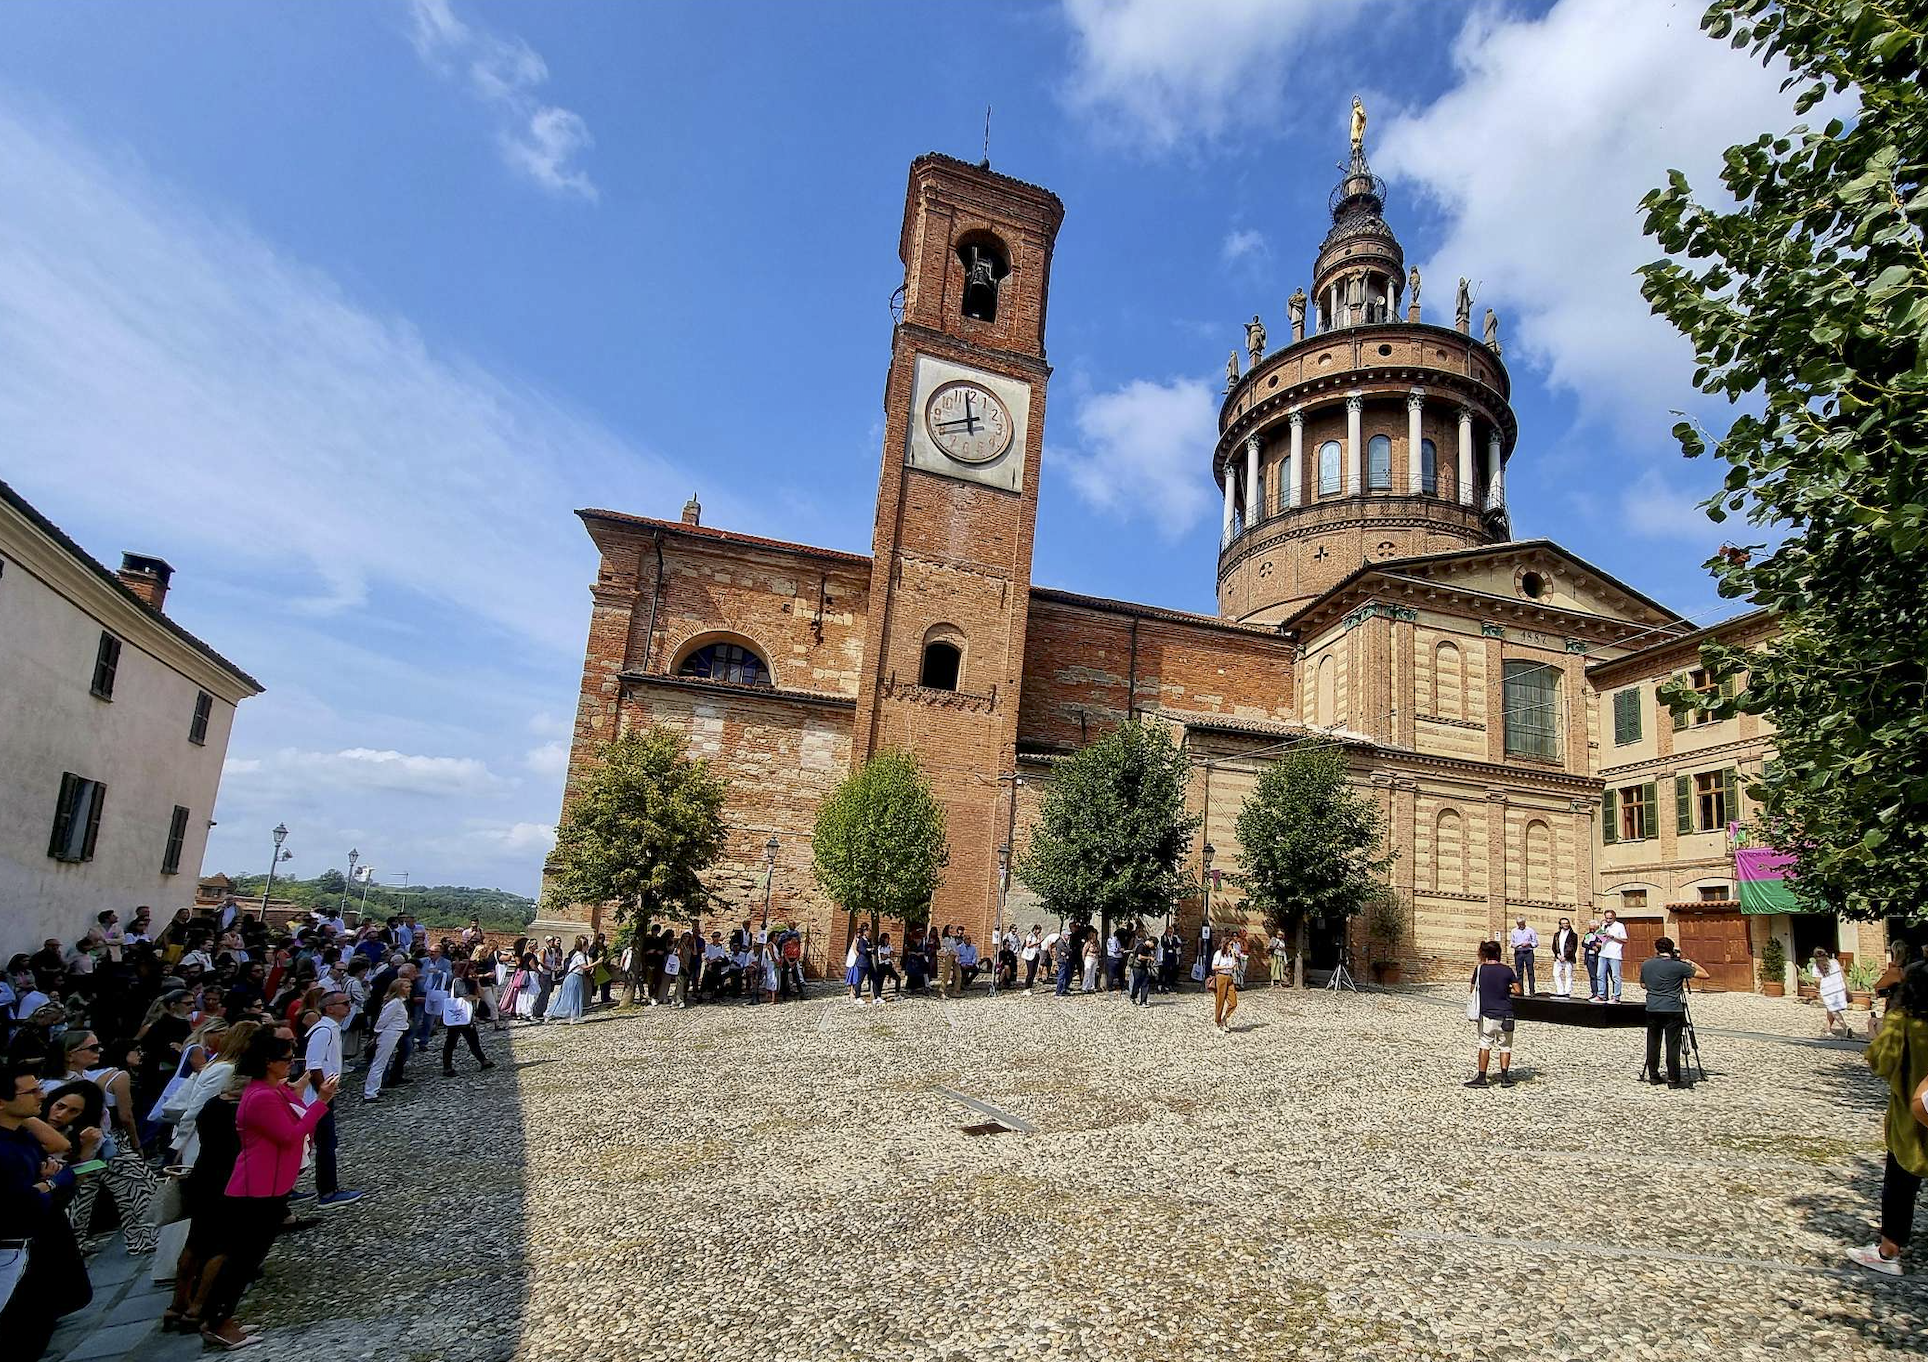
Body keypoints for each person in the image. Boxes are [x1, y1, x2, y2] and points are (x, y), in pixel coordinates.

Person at [201, 1031, 339, 1348]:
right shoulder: (261, 1096)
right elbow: (289, 1134)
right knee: (241, 1260)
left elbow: (292, 1103)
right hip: (256, 1188)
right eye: (287, 1059)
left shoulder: (269, 1090)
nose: (292, 1064)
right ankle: (217, 1320)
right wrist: (322, 1103)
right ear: (268, 1062)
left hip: (269, 1185)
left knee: (249, 1256)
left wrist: (306, 1090)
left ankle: (222, 1317)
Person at [0, 1061, 92, 1358]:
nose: (42, 1096)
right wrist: (50, 1187)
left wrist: (48, 1185)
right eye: (32, 1091)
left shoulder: (21, 1135)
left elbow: (62, 1164)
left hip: (44, 1248)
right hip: (18, 1255)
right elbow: (20, 1207)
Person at [1847, 961, 1928, 1276]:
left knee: (1900, 1185)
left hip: (1914, 1117)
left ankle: (1888, 1252)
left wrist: (1877, 1032)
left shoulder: (1903, 1022)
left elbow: (1881, 1062)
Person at [302, 990, 362, 1206]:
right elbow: (313, 1065)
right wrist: (323, 1093)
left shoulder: (331, 1029)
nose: (348, 1006)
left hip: (325, 1093)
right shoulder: (323, 1031)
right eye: (344, 1003)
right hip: (319, 1097)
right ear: (329, 1008)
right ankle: (327, 1192)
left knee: (324, 1142)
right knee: (324, 1143)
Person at [1639, 938, 1707, 1088]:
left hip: (1652, 1008)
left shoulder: (1646, 964)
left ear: (1656, 949)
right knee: (1673, 1044)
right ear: (1671, 949)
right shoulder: (1678, 966)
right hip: (1672, 1008)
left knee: (1653, 1043)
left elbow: (1643, 985)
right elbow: (1705, 975)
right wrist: (1690, 962)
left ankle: (1654, 1076)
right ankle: (1673, 1078)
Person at [1466, 940, 1521, 1088]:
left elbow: (1472, 989)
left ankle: (1482, 1077)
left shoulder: (1479, 970)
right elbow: (1518, 990)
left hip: (1487, 1014)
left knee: (1484, 1044)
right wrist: (1505, 989)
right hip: (1506, 1014)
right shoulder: (1507, 970)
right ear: (1499, 953)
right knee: (1505, 1047)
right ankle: (1505, 1078)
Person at [441, 963, 495, 1074]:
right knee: (452, 1042)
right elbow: (467, 996)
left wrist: (477, 982)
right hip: (459, 1015)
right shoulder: (459, 982)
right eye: (471, 969)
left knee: (473, 1039)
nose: (473, 970)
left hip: (466, 1016)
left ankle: (483, 1060)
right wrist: (476, 997)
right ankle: (447, 1067)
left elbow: (481, 993)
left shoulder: (469, 981)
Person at [363, 980, 410, 1103]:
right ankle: (370, 1093)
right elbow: (383, 1020)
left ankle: (375, 1088)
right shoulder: (395, 1003)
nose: (409, 989)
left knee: (382, 1062)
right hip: (389, 1033)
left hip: (395, 1032)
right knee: (379, 1062)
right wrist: (377, 1033)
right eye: (406, 987)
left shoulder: (398, 1002)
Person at [1811, 947, 1852, 1039]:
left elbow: (1817, 981)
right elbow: (1843, 975)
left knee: (1833, 1010)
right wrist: (1847, 988)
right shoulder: (1834, 962)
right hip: (1839, 988)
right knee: (1830, 1010)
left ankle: (1845, 1027)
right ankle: (1827, 1029)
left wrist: (1816, 986)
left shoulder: (1816, 967)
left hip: (1827, 991)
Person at [546, 939, 589, 1023]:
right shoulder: (579, 956)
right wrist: (597, 962)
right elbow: (585, 967)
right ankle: (572, 1017)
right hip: (574, 977)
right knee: (574, 997)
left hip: (573, 977)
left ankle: (573, 1016)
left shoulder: (578, 954)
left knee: (571, 997)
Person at [1209, 933, 1245, 1032]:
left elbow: (1233, 965)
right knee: (1220, 1000)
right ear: (1225, 945)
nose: (1231, 947)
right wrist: (1226, 967)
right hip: (1221, 976)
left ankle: (1225, 1018)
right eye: (1230, 945)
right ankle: (1218, 1022)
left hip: (1229, 978)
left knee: (1233, 1002)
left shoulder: (1230, 955)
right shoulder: (1219, 953)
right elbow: (1214, 966)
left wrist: (1234, 955)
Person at [1594, 910, 1628, 1003]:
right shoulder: (1604, 925)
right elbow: (1601, 939)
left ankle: (1616, 997)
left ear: (1614, 917)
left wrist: (1612, 937)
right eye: (1607, 918)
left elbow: (1625, 940)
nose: (1608, 920)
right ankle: (1601, 995)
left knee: (1615, 976)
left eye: (1610, 918)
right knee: (1600, 975)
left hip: (1614, 954)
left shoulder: (1620, 926)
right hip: (1603, 953)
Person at [1549, 918, 1579, 998]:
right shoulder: (1557, 935)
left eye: (1567, 923)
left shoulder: (1573, 935)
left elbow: (1573, 948)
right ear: (1560, 925)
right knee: (1556, 974)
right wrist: (1557, 955)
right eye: (1563, 923)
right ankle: (1560, 991)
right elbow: (1554, 946)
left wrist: (1565, 956)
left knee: (1568, 975)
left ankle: (1567, 992)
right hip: (1558, 958)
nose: (1565, 925)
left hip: (1568, 958)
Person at [1509, 917, 1539, 996]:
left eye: (1521, 924)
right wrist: (1515, 945)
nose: (1520, 925)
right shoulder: (1514, 931)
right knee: (1519, 972)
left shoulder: (1530, 930)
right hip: (1518, 952)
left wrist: (1529, 944)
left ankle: (1532, 991)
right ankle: (1520, 991)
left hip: (1528, 952)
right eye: (1518, 924)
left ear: (1524, 923)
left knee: (1530, 972)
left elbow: (1535, 943)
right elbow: (1511, 943)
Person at [1129, 933, 1156, 1007]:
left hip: (1144, 968)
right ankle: (1133, 997)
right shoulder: (1141, 946)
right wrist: (1149, 958)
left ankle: (1143, 1001)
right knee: (1137, 983)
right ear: (1151, 941)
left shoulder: (1148, 948)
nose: (1153, 946)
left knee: (1145, 984)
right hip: (1137, 967)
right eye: (1153, 944)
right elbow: (1139, 957)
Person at [872, 933, 902, 1001]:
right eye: (887, 938)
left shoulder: (889, 946)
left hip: (888, 965)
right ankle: (877, 996)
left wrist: (890, 955)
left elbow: (892, 953)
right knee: (880, 981)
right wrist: (888, 956)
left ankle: (897, 994)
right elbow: (883, 957)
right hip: (882, 965)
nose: (888, 940)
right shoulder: (880, 947)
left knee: (898, 978)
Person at [1581, 919, 1604, 1000]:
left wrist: (1592, 944)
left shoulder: (1601, 933)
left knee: (1600, 976)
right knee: (1592, 976)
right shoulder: (1588, 934)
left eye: (1593, 928)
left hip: (1598, 957)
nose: (1591, 929)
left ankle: (1602, 993)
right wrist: (1592, 946)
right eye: (1590, 928)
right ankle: (1594, 993)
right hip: (1589, 957)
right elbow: (1584, 943)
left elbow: (1602, 943)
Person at [1021, 926, 1043, 992]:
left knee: (1034, 972)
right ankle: (1026, 987)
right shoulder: (1030, 936)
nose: (1039, 932)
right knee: (1030, 972)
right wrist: (1037, 943)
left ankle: (1030, 987)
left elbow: (1039, 946)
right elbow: (1028, 945)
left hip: (1036, 954)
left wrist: (1039, 943)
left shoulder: (1037, 937)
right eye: (1038, 930)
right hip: (1030, 955)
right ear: (1035, 930)